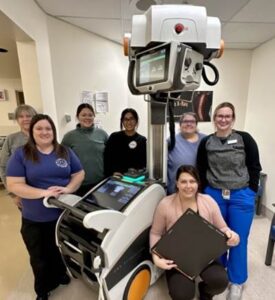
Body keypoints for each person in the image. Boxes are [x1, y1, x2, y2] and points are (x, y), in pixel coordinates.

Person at [6, 114, 85, 300]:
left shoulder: (64, 151)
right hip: (35, 218)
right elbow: (14, 184)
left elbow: (79, 173)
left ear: (53, 131)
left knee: (58, 250)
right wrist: (44, 193)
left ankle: (60, 275)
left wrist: (67, 189)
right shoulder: (22, 154)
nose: (44, 132)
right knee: (39, 257)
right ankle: (42, 290)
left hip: (62, 215)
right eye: (39, 128)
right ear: (32, 132)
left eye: (48, 128)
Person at [196, 102, 262, 300]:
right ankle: (219, 276)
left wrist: (250, 191)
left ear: (233, 119)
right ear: (214, 118)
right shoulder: (207, 141)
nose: (223, 120)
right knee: (216, 239)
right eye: (219, 116)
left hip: (241, 195)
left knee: (237, 239)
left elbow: (254, 166)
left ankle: (237, 282)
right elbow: (200, 168)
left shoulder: (245, 139)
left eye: (227, 116)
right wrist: (204, 192)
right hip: (214, 195)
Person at [150, 165, 239, 300]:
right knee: (182, 295)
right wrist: (156, 258)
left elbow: (222, 227)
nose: (188, 186)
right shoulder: (165, 204)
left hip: (204, 254)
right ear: (177, 184)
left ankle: (205, 291)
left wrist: (232, 235)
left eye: (192, 181)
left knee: (220, 282)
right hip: (178, 258)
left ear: (198, 183)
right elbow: (155, 233)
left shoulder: (208, 201)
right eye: (183, 181)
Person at [62, 103, 108, 196]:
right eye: (83, 115)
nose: (87, 117)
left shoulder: (102, 134)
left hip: (101, 183)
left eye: (90, 115)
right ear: (77, 117)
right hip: (79, 186)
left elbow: (110, 156)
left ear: (94, 116)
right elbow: (62, 160)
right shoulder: (69, 137)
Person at [0, 104, 37, 208]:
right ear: (17, 119)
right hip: (22, 190)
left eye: (28, 116)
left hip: (45, 188)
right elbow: (3, 167)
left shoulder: (44, 135)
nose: (25, 119)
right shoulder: (11, 139)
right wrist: (13, 194)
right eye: (21, 116)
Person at [167, 112, 206, 194]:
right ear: (180, 124)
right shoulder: (171, 141)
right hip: (176, 191)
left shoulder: (205, 140)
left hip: (198, 191)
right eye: (185, 121)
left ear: (196, 124)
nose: (189, 124)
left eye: (192, 121)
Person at [104, 108, 147, 176]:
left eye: (131, 119)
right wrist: (112, 172)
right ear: (122, 121)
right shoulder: (114, 137)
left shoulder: (142, 140)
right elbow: (107, 159)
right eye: (125, 119)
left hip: (134, 179)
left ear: (136, 121)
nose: (129, 122)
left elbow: (144, 163)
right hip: (117, 177)